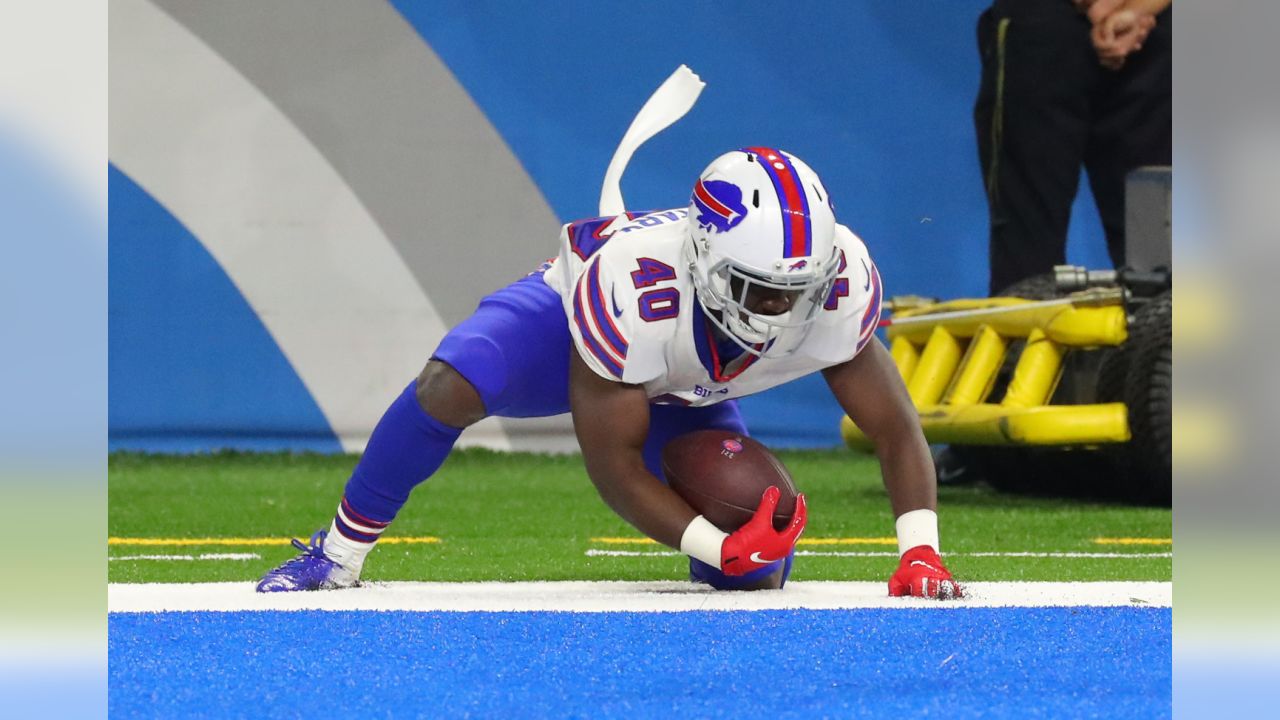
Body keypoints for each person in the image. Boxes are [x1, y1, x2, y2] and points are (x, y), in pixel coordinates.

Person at [257, 147, 961, 598]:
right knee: (454, 382)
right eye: (765, 287)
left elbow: (895, 427)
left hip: (684, 375)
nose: (789, 307)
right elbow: (613, 464)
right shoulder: (634, 288)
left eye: (803, 285)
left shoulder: (839, 285)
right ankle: (339, 553)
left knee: (753, 573)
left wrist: (920, 554)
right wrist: (718, 541)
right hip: (571, 328)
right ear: (709, 266)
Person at [975, 0, 1172, 295]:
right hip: (1064, 28)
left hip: (1137, 33)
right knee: (1028, 265)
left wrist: (1130, 9)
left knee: (1160, 264)